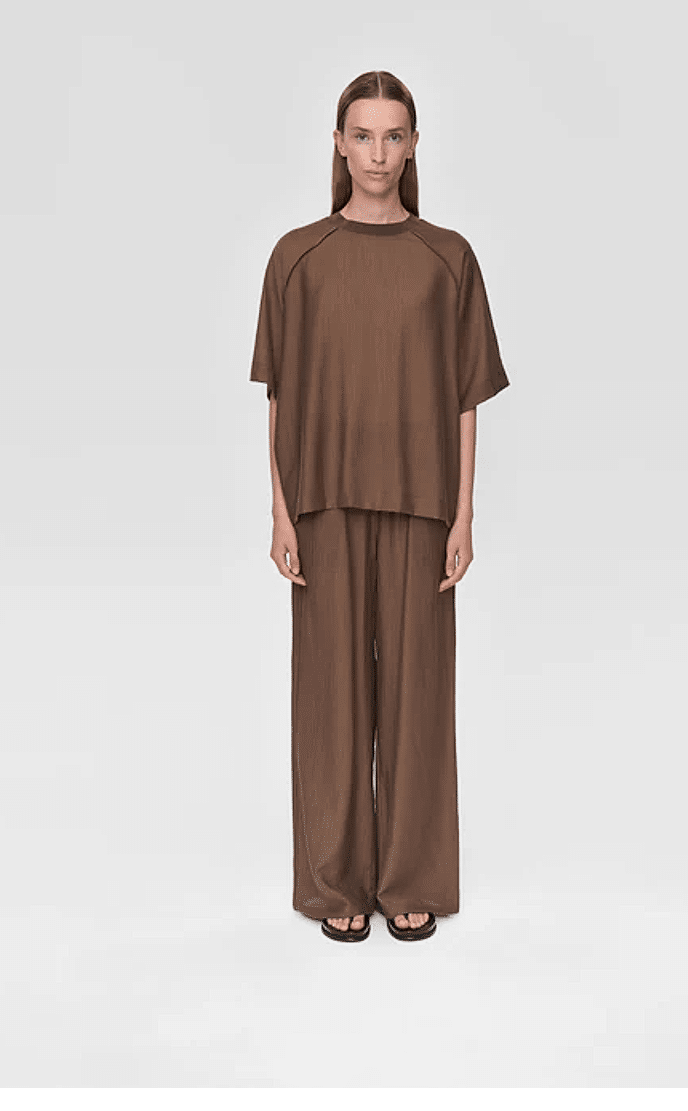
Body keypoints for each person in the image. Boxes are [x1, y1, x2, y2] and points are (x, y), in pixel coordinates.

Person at [250, 70, 509, 943]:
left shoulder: (449, 258)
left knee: (417, 701)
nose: (377, 153)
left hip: (421, 502)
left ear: (414, 145)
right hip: (321, 502)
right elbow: (279, 395)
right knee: (328, 704)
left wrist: (464, 515)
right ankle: (334, 883)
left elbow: (466, 397)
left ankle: (412, 876)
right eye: (362, 135)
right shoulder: (297, 257)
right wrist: (280, 512)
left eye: (393, 136)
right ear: (338, 143)